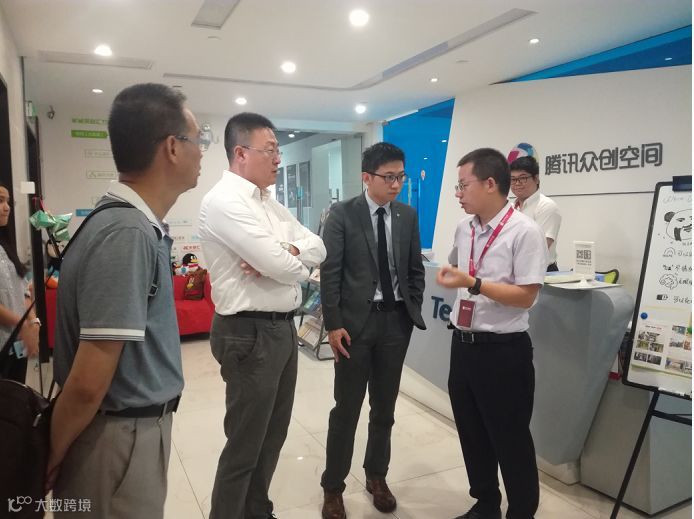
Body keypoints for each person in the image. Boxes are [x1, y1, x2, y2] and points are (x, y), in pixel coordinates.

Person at [47, 83, 203, 518]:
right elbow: (88, 380)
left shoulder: (129, 225)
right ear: (172, 147)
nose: (202, 152)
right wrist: (50, 456)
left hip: (126, 433)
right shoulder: (126, 233)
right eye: (198, 139)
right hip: (117, 440)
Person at [198, 112, 326, 519]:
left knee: (273, 435)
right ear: (241, 153)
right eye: (270, 150)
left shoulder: (269, 202)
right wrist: (287, 261)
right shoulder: (224, 201)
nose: (278, 159)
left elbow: (318, 245)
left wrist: (287, 252)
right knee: (244, 444)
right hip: (248, 331)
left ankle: (257, 510)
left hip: (281, 330)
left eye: (278, 150)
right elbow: (284, 266)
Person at [320, 142, 426, 519]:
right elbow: (330, 273)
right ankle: (333, 487)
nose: (396, 184)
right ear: (367, 177)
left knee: (385, 409)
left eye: (401, 176)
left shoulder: (407, 215)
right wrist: (333, 324)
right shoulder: (342, 214)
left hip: (395, 323)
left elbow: (414, 269)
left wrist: (411, 307)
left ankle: (376, 476)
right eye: (389, 177)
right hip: (354, 327)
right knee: (346, 410)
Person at [438, 148, 546, 519]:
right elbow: (459, 266)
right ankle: (485, 504)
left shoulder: (524, 231)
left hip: (503, 352)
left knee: (510, 438)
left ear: (489, 183)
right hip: (463, 346)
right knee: (472, 433)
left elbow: (526, 296)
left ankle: (521, 511)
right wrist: (458, 276)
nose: (458, 193)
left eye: (463, 185)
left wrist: (474, 282)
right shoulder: (464, 228)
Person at [0, 184, 39, 382]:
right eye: (0, 201)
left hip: (16, 345)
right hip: (4, 342)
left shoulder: (6, 247)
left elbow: (24, 290)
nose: (7, 207)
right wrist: (22, 324)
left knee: (14, 395)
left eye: (8, 202)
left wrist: (33, 322)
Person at [509, 156, 561, 271]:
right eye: (513, 179)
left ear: (536, 179)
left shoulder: (546, 206)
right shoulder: (510, 208)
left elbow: (540, 247)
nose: (517, 183)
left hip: (542, 272)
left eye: (523, 178)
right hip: (514, 270)